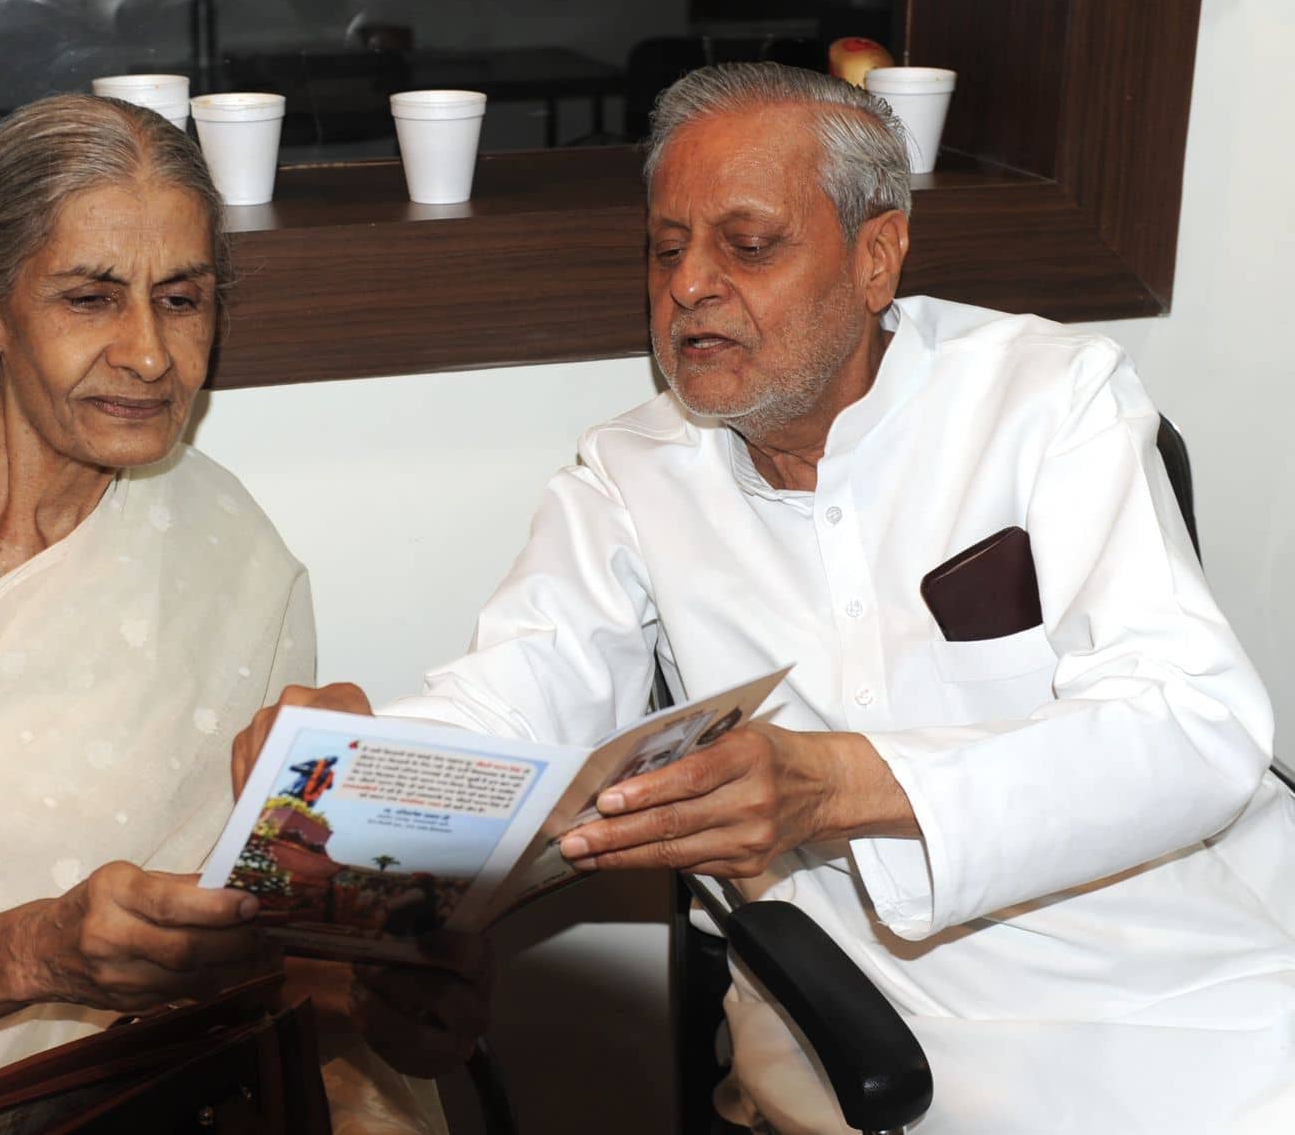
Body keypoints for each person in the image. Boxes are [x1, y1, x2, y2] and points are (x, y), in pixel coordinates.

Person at [234, 63, 1295, 1132]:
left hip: (1180, 952)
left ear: (875, 256)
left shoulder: (1048, 398)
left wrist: (836, 783)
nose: (689, 285)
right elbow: (515, 703)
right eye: (666, 249)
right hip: (870, 994)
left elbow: (1195, 724)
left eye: (746, 245)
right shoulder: (629, 474)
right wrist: (353, 765)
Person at [0, 94, 479, 1135]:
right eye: (90, 298)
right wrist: (37, 952)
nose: (149, 354)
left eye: (182, 299)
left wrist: (393, 973)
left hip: (166, 1085)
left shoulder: (236, 551)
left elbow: (274, 953)